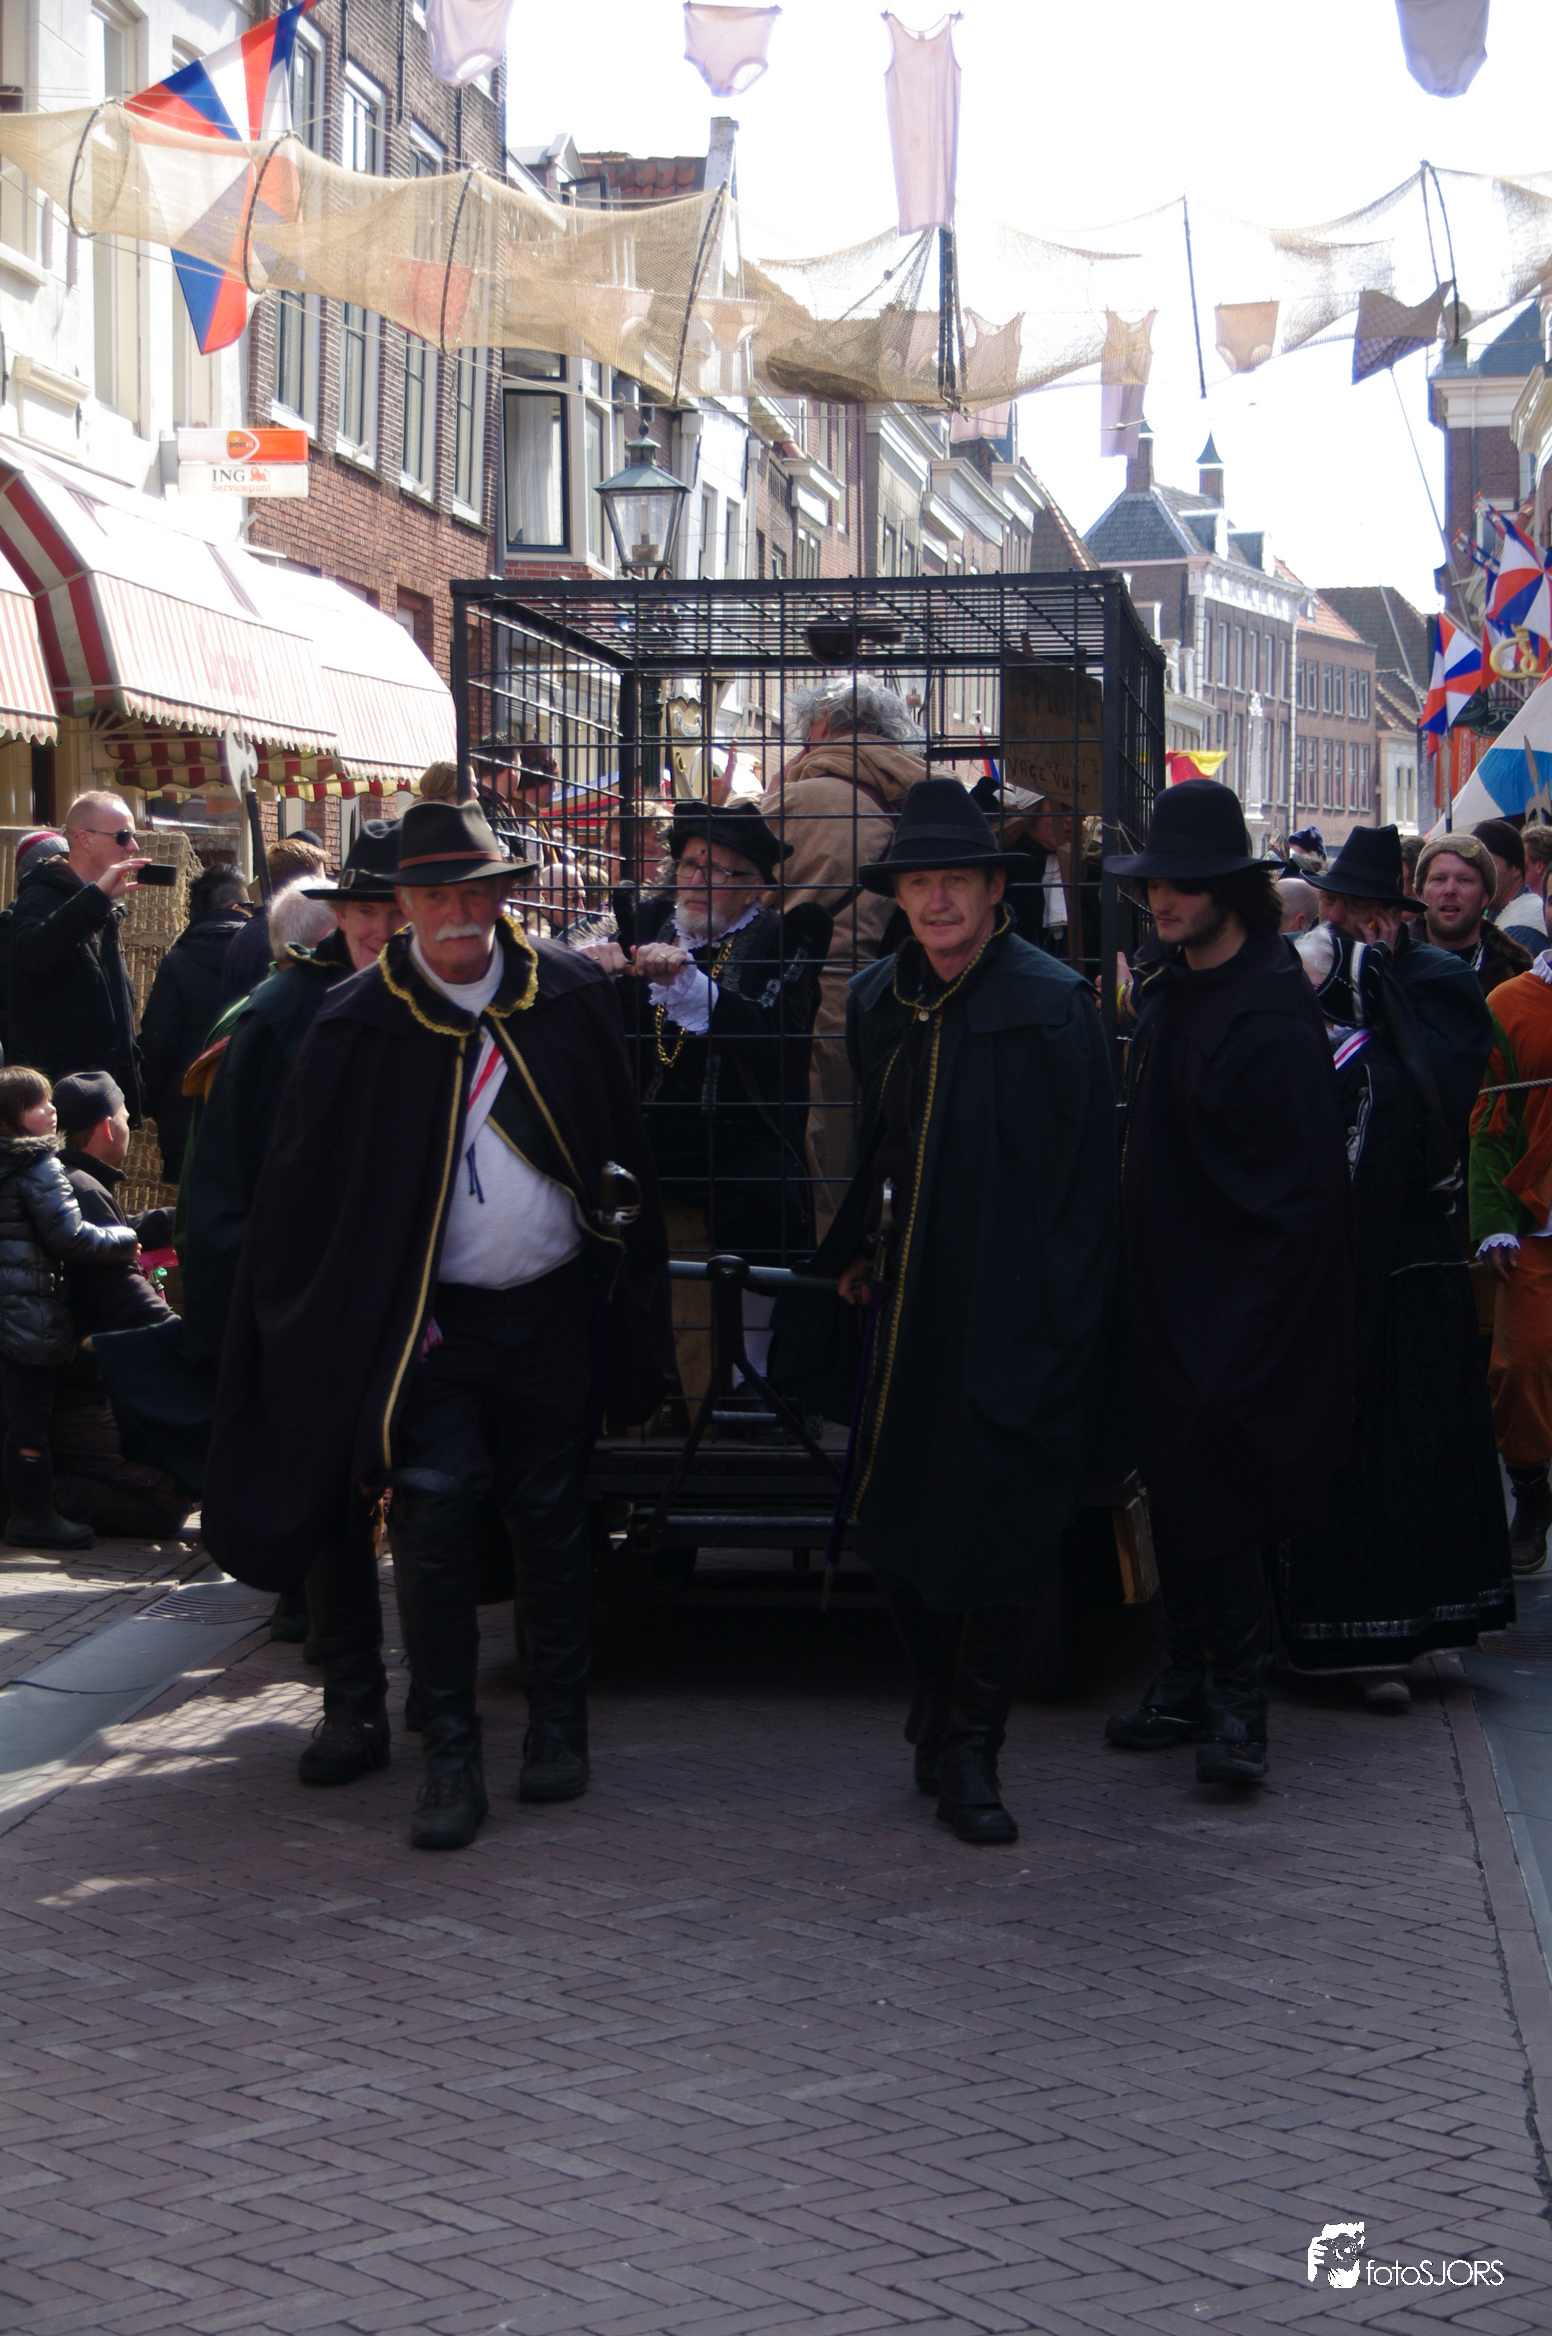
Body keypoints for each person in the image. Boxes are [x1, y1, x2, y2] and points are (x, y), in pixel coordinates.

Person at [201, 799, 674, 1850]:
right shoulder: (355, 1022)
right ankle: (450, 1757)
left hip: (549, 1310)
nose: (456, 913)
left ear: (503, 897)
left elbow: (618, 1144)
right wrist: (370, 1317)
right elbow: (308, 1204)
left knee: (551, 1518)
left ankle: (557, 1729)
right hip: (431, 1330)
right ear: (403, 905)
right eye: (433, 895)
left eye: (474, 891)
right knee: (433, 1519)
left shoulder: (570, 993)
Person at [776, 781, 1122, 1847]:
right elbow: (878, 1137)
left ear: (991, 889)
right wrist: (856, 1250)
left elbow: (1087, 1180)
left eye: (955, 881)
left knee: (1002, 1527)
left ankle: (974, 1744)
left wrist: (1064, 1316)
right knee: (891, 1517)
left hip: (1016, 1302)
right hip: (907, 1293)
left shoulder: (1052, 1003)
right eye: (919, 883)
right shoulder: (880, 996)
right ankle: (934, 1694)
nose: (936, 901)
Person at [95, 826, 402, 1722]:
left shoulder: (447, 1004)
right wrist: (247, 1307)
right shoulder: (277, 1018)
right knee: (325, 1477)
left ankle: (434, 1698)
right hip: (304, 1297)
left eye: (396, 910)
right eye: (366, 910)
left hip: (416, 1294)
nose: (382, 928)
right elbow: (226, 1184)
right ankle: (345, 1686)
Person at [1103, 781, 1354, 1787]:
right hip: (1164, 1282)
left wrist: (1257, 1320)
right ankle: (1185, 1675)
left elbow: (1304, 1195)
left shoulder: (1271, 1010)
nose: (1161, 901)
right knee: (1169, 1477)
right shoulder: (1175, 988)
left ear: (1229, 891)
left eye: (1183, 885)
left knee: (1222, 1484)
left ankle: (1239, 1702)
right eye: (1154, 884)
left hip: (1242, 1293)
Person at [1272, 928, 1512, 1698]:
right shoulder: (1360, 1067)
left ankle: (1369, 1644)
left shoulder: (1371, 1076)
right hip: (1394, 1297)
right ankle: (1392, 1636)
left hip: (1385, 1305)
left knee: (1382, 1469)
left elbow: (1358, 1207)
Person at [578, 802, 831, 1327]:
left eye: (717, 870)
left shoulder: (783, 938)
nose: (696, 881)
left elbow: (776, 1033)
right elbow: (606, 1022)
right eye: (691, 864)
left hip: (741, 1137)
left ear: (754, 887)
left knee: (768, 1201)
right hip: (643, 1130)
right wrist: (597, 972)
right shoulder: (645, 920)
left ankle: (751, 1358)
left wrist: (691, 985)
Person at [761, 679, 926, 1237]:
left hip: (804, 1007)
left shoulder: (801, 799)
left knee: (814, 1164)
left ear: (821, 726)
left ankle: (821, 1276)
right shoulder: (914, 797)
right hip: (886, 1003)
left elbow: (732, 888)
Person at [0, 1065, 139, 1550]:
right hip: (29, 1317)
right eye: (38, 1104)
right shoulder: (38, 1165)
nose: (52, 1109)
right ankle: (33, 1515)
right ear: (13, 1118)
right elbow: (71, 1236)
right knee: (31, 1420)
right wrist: (124, 1238)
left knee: (13, 1414)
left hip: (8, 1314)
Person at [48, 1070, 190, 1541]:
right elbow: (123, 1294)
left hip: (69, 1384)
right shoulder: (85, 1190)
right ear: (108, 1127)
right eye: (127, 1116)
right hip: (76, 1394)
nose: (130, 1126)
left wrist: (183, 1219)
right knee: (166, 1502)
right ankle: (26, 1493)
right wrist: (189, 1341)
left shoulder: (71, 1182)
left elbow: (116, 1231)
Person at [1313, 824, 1492, 1196]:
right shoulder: (1299, 964)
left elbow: (1436, 1095)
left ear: (1390, 915)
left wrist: (1378, 981)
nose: (1334, 916)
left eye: (1354, 904)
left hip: (1405, 1198)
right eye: (1328, 899)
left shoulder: (1444, 978)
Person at [1469, 883, 1552, 1575]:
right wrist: (1493, 1222)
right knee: (1518, 1365)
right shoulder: (1509, 1003)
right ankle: (1530, 1487)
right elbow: (1490, 1120)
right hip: (1536, 1221)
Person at [8, 792, 146, 1117]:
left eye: (133, 835)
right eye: (122, 836)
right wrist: (95, 899)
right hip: (65, 1098)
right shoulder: (41, 895)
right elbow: (33, 955)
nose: (133, 846)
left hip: (104, 1092)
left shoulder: (100, 902)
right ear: (84, 839)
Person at [137, 865, 252, 1179]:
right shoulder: (264, 954)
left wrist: (152, 1103)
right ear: (235, 906)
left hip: (186, 1117)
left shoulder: (177, 961)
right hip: (248, 1112)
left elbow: (158, 1043)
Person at [1414, 832, 1531, 997]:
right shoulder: (1391, 966)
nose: (1450, 890)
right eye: (1439, 879)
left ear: (1484, 896)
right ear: (1421, 893)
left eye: (1464, 880)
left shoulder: (1516, 973)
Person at [217, 834, 328, 1005]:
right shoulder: (276, 938)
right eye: (320, 880)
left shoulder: (254, 931)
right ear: (300, 886)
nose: (326, 887)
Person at [1475, 817, 1547, 955]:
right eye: (1473, 866)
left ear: (1516, 869)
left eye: (1490, 864)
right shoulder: (1508, 916)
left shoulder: (1518, 930)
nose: (1480, 874)